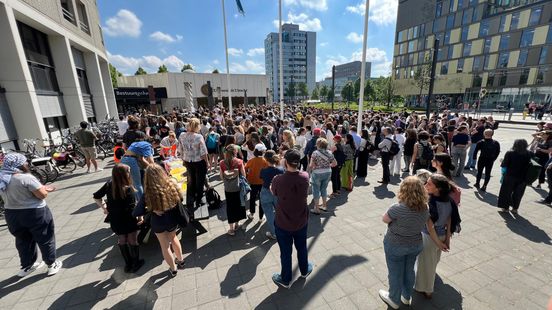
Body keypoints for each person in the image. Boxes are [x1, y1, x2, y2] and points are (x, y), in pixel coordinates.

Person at [1, 153, 62, 277]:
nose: (27, 164)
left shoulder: (2, 177)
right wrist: (44, 189)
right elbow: (42, 195)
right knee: (45, 237)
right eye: (24, 162)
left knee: (23, 240)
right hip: (34, 212)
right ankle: (51, 264)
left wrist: (40, 188)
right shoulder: (26, 178)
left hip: (12, 214)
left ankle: (27, 266)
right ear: (19, 164)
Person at [379, 176, 429, 309]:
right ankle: (406, 297)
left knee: (395, 272)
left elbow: (385, 220)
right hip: (415, 244)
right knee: (409, 270)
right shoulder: (425, 207)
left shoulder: (397, 208)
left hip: (396, 244)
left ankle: (394, 299)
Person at [271, 149, 312, 288]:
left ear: (286, 162)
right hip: (301, 220)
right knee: (302, 247)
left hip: (283, 222)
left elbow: (273, 191)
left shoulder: (278, 179)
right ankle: (305, 270)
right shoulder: (305, 176)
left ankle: (286, 279)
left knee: (286, 252)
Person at [415, 174, 459, 299]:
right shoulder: (450, 201)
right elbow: (450, 222)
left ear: (438, 189)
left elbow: (430, 227)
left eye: (429, 184)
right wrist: (446, 240)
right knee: (433, 263)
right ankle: (425, 285)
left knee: (426, 265)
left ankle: (427, 290)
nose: (425, 185)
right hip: (441, 236)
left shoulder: (429, 202)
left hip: (429, 238)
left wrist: (439, 244)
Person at [93, 163, 143, 273]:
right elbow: (133, 208)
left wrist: (104, 207)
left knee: (122, 239)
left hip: (115, 219)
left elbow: (96, 196)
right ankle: (135, 263)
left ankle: (128, 264)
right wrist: (140, 218)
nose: (130, 173)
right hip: (128, 219)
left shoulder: (109, 184)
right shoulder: (128, 188)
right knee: (132, 240)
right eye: (128, 171)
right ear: (124, 174)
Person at [142, 165, 185, 277]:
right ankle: (180, 260)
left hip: (158, 222)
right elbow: (180, 199)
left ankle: (173, 269)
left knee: (164, 246)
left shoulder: (148, 191)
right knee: (174, 238)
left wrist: (152, 210)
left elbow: (137, 211)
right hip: (171, 219)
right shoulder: (170, 185)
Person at [178, 118, 210, 208]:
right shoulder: (198, 136)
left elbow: (180, 149)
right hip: (199, 162)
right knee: (200, 181)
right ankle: (199, 199)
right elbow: (204, 152)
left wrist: (183, 159)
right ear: (197, 126)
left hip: (188, 161)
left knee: (191, 180)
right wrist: (207, 163)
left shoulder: (182, 135)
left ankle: (191, 198)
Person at [497, 139, 533, 213]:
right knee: (518, 193)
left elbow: (504, 164)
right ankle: (515, 209)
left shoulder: (510, 153)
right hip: (523, 177)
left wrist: (502, 161)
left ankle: (505, 208)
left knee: (506, 192)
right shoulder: (530, 154)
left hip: (510, 176)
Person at [220, 144, 247, 236]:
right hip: (238, 187)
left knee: (230, 207)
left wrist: (227, 180)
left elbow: (221, 177)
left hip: (228, 188)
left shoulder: (222, 163)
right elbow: (244, 175)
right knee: (238, 205)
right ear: (235, 152)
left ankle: (231, 229)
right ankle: (237, 224)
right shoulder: (239, 162)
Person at [260, 151, 284, 239]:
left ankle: (274, 233)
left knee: (269, 214)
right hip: (278, 192)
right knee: (280, 211)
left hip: (266, 191)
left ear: (266, 159)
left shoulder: (263, 170)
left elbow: (261, 178)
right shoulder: (281, 169)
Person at [308, 138, 336, 215]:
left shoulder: (315, 153)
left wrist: (315, 167)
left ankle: (316, 208)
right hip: (327, 172)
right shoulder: (330, 153)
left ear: (318, 145)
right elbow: (334, 164)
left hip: (317, 173)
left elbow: (311, 165)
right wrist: (327, 165)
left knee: (316, 190)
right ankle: (324, 206)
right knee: (324, 189)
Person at [245, 144, 268, 221]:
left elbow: (245, 168)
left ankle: (251, 213)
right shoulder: (265, 161)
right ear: (262, 151)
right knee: (262, 199)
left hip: (253, 182)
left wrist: (248, 175)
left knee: (252, 198)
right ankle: (261, 217)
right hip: (262, 182)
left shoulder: (251, 160)